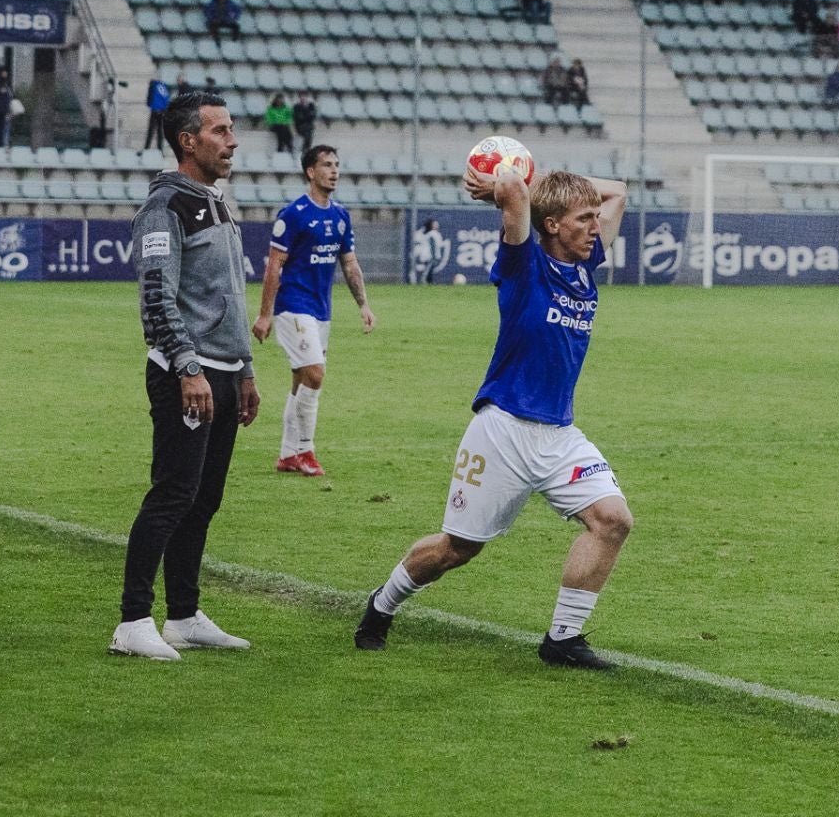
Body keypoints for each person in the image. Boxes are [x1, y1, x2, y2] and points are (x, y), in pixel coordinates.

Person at [354, 166, 631, 669]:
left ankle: (562, 641)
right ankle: (381, 604)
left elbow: (619, 191)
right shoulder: (523, 265)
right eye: (583, 218)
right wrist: (521, 186)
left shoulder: (588, 264)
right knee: (457, 549)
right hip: (502, 430)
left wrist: (549, 178)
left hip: (559, 434)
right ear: (550, 225)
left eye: (596, 218)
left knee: (612, 520)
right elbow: (513, 193)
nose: (597, 225)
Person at [110, 90, 260, 662]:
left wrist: (243, 368)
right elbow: (156, 299)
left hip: (223, 374)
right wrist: (189, 368)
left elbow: (232, 297)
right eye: (220, 131)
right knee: (172, 494)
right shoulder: (165, 206)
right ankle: (131, 620)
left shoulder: (216, 201)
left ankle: (183, 614)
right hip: (185, 376)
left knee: (203, 499)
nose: (233, 140)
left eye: (231, 129)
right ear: (188, 141)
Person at [253, 144, 376, 478]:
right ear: (311, 171)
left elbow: (349, 264)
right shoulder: (293, 215)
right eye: (327, 165)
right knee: (316, 373)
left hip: (322, 311)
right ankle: (306, 450)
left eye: (337, 164)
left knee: (300, 381)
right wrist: (265, 314)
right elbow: (273, 268)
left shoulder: (340, 215)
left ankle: (286, 455)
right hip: (293, 306)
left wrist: (363, 304)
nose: (334, 170)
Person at [410, 217, 450, 285]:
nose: (437, 225)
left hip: (431, 255)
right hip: (430, 256)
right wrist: (434, 255)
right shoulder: (432, 234)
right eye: (435, 224)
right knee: (428, 269)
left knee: (429, 269)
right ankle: (424, 281)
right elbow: (433, 245)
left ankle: (429, 282)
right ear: (431, 225)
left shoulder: (434, 234)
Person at [142, 78, 171, 151]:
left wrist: (149, 104)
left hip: (155, 110)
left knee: (151, 131)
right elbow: (167, 99)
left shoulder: (153, 85)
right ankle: (160, 149)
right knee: (160, 131)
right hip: (162, 111)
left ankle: (147, 148)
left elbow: (150, 97)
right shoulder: (163, 86)